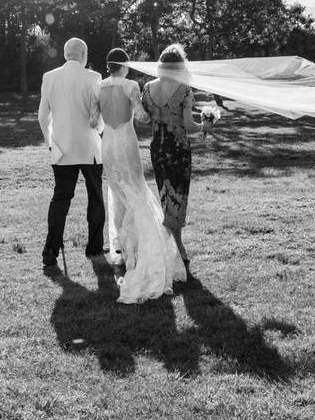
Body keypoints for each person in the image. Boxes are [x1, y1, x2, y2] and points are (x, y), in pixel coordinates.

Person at [92, 48, 180, 303]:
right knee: (136, 190)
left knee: (119, 193)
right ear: (125, 64)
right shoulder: (131, 85)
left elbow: (92, 122)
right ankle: (142, 248)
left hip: (107, 142)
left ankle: (125, 250)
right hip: (127, 142)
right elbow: (141, 117)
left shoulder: (97, 87)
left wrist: (108, 125)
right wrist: (153, 111)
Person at [38, 37, 105, 270]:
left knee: (60, 199)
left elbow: (42, 116)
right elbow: (98, 117)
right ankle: (94, 247)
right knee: (95, 197)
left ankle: (50, 251)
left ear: (66, 54)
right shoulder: (94, 78)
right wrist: (100, 132)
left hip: (61, 148)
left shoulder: (49, 77)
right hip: (90, 149)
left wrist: (49, 142)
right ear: (84, 54)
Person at [141, 44, 202, 286]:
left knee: (166, 197)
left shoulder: (147, 88)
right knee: (178, 198)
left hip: (157, 149)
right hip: (177, 150)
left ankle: (172, 250)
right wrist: (205, 126)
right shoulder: (184, 88)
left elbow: (146, 120)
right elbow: (188, 124)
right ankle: (179, 251)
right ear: (180, 65)